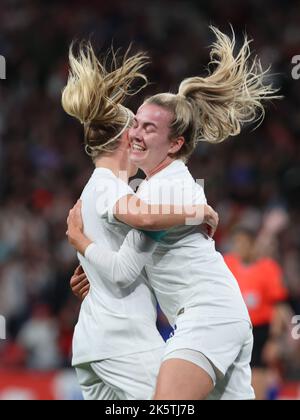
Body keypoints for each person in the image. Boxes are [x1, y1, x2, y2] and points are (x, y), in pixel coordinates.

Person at [68, 26, 280, 400]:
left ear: (176, 143)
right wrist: (93, 267)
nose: (135, 134)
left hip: (207, 316)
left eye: (149, 128)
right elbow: (137, 260)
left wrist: (83, 243)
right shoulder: (156, 186)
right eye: (135, 124)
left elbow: (139, 232)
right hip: (217, 316)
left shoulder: (162, 188)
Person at [62, 42, 218, 400]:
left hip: (95, 342)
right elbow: (140, 228)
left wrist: (87, 263)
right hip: (124, 339)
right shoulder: (110, 188)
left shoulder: (95, 190)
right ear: (121, 140)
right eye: (134, 130)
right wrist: (199, 212)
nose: (138, 136)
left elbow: (109, 265)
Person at [224, 226, 289, 400]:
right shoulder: (228, 263)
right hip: (234, 329)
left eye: (243, 243)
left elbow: (279, 307)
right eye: (236, 243)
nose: (239, 248)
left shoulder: (268, 268)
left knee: (257, 380)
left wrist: (274, 340)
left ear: (253, 245)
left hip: (260, 332)